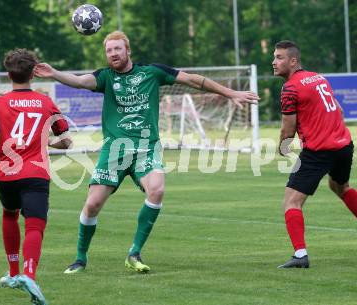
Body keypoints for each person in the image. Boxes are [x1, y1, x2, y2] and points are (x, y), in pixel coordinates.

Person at [34, 31, 259, 274]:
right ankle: (80, 258)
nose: (113, 54)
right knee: (92, 205)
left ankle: (134, 252)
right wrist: (54, 73)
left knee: (157, 190)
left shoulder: (151, 72)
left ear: (128, 50)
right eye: (109, 50)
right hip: (115, 151)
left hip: (146, 148)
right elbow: (79, 81)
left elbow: (194, 80)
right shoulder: (105, 77)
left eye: (117, 49)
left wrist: (231, 93)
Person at [0, 48, 72, 304]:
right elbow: (66, 140)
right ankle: (29, 274)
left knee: (10, 214)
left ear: (8, 73)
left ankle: (12, 273)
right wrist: (48, 144)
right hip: (35, 172)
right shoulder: (46, 103)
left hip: (7, 174)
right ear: (34, 72)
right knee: (35, 224)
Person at [273, 40, 356, 268]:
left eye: (279, 57)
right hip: (344, 145)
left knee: (291, 202)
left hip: (319, 151)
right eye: (274, 57)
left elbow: (287, 129)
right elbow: (338, 110)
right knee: (340, 187)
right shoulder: (318, 77)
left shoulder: (290, 88)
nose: (274, 62)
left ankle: (300, 255)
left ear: (293, 60)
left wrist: (283, 147)